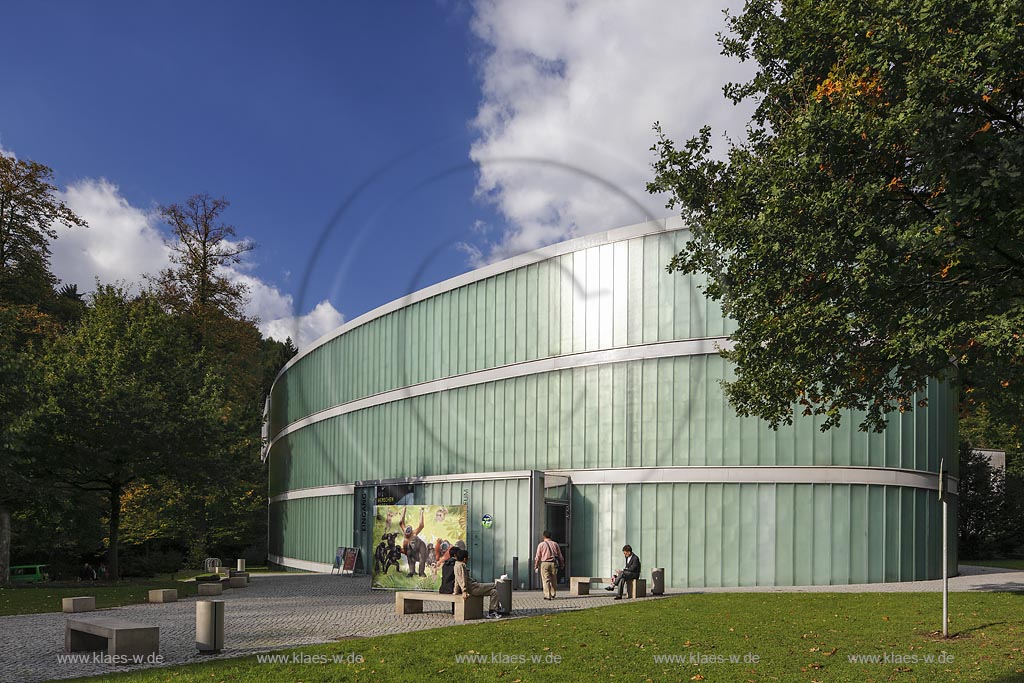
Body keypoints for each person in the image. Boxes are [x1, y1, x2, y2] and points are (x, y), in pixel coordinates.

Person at [454, 549, 503, 618]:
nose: (468, 559)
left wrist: (455, 591)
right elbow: (463, 579)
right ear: (465, 558)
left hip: (473, 587)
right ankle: (499, 607)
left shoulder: (456, 565)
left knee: (494, 592)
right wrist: (464, 591)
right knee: (495, 585)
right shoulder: (462, 565)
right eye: (468, 557)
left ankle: (493, 611)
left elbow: (457, 580)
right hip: (473, 588)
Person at [534, 530, 564, 600]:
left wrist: (536, 565)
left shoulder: (541, 545)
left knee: (546, 579)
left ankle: (547, 595)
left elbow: (537, 556)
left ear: (543, 536)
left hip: (544, 563)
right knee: (554, 579)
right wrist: (562, 563)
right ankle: (553, 593)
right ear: (551, 536)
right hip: (553, 563)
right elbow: (560, 556)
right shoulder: (555, 544)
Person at [439, 546, 459, 615]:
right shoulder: (456, 564)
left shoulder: (445, 563)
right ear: (456, 555)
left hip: (443, 588)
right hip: (451, 589)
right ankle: (456, 610)